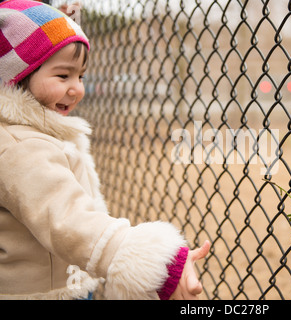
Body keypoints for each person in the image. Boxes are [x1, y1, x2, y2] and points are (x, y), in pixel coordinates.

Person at [0, 0, 210, 300]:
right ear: (16, 75)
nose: (77, 89)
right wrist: (152, 261)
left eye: (81, 76)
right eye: (63, 76)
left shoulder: (29, 135)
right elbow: (67, 217)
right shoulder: (21, 146)